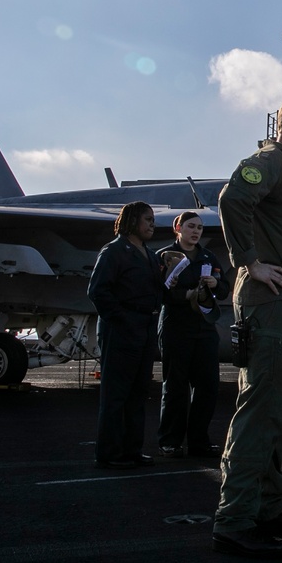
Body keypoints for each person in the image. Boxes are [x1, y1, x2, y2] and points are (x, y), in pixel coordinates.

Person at [212, 96, 282, 559]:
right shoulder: (270, 161)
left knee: (281, 414)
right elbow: (232, 198)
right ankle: (235, 518)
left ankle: (268, 506)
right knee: (260, 415)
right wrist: (251, 263)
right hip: (269, 306)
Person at [87, 201, 165, 470]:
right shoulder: (114, 252)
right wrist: (122, 319)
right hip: (121, 330)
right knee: (115, 395)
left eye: (153, 219)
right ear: (132, 221)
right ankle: (109, 452)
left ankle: (132, 449)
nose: (152, 224)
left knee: (137, 393)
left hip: (144, 328)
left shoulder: (150, 255)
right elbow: (98, 291)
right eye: (147, 219)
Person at [155, 211, 229, 459]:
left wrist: (215, 285)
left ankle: (199, 441)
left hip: (204, 327)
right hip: (176, 326)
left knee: (208, 386)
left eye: (199, 227)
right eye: (190, 226)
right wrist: (185, 295)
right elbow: (157, 292)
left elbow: (225, 289)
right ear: (178, 227)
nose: (196, 231)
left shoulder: (209, 257)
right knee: (175, 387)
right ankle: (170, 441)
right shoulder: (165, 257)